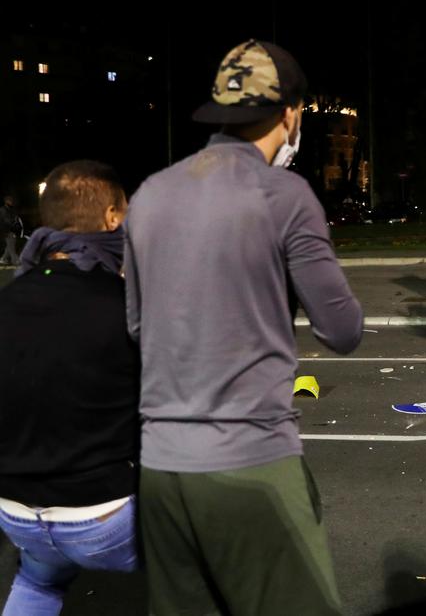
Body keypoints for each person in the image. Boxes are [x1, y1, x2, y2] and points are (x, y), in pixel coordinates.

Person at [124, 39, 363, 615]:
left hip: (160, 467)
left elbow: (137, 325)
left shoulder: (151, 194)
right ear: (289, 113)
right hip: (250, 461)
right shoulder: (284, 195)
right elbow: (342, 329)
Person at [0, 161, 139, 615]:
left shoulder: (11, 299)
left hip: (17, 512)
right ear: (113, 218)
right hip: (105, 516)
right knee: (207, 552)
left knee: (37, 580)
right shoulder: (124, 307)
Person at [0, 196, 21, 266]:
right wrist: (13, 222)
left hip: (11, 230)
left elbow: (14, 218)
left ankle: (3, 259)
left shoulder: (10, 209)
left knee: (10, 245)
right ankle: (15, 260)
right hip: (6, 230)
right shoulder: (3, 210)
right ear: (6, 201)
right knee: (11, 245)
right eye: (10, 201)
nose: (11, 202)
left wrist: (15, 221)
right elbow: (6, 220)